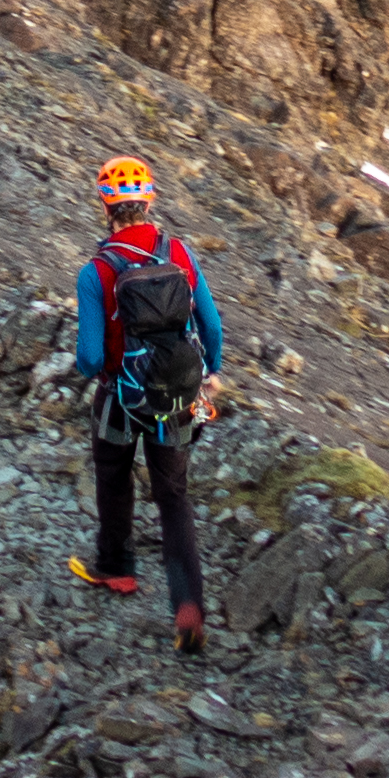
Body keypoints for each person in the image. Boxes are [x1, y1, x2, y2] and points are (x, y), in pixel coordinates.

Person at [68, 155, 229, 657]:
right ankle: (189, 608)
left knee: (113, 474)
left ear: (105, 205)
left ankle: (116, 568)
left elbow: (91, 356)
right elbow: (212, 326)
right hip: (178, 395)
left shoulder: (96, 271)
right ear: (150, 199)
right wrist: (212, 373)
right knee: (173, 497)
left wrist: (103, 375)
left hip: (121, 396)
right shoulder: (178, 251)